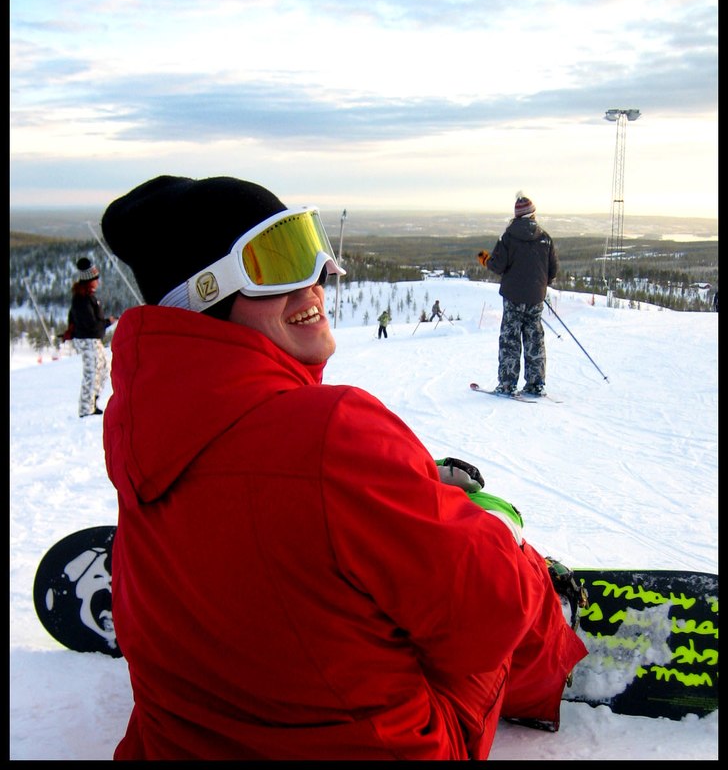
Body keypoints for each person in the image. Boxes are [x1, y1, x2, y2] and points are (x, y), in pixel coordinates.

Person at [101, 175, 586, 761]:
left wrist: (400, 482)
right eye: (277, 262)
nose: (314, 281)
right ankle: (558, 633)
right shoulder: (332, 434)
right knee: (503, 563)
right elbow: (488, 618)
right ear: (206, 294)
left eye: (310, 251)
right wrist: (498, 544)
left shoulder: (145, 431)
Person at [478, 194, 558, 397]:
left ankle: (507, 384)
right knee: (534, 338)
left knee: (510, 339)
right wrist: (540, 285)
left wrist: (484, 259)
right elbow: (553, 271)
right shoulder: (545, 238)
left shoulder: (508, 237)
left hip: (513, 296)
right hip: (536, 297)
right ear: (533, 214)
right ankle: (535, 384)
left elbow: (497, 265)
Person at [68, 257, 116, 417]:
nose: (98, 281)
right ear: (90, 280)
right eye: (96, 279)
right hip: (87, 340)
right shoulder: (82, 300)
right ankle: (85, 409)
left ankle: (92, 402)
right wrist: (106, 323)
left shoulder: (86, 297)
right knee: (92, 372)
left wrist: (104, 323)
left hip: (91, 339)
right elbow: (90, 324)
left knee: (102, 368)